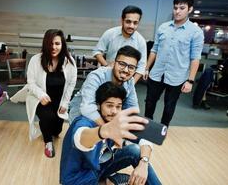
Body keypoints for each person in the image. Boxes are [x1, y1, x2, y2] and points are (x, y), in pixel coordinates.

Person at [60, 82, 161, 185]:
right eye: (109, 106)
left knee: (135, 150)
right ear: (98, 106)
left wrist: (144, 162)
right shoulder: (84, 122)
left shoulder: (115, 121)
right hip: (77, 180)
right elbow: (80, 138)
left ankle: (110, 180)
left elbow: (144, 139)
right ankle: (111, 181)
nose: (114, 111)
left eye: (118, 107)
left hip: (97, 169)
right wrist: (103, 131)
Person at [11, 29, 77, 158]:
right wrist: (41, 95)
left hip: (59, 100)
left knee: (57, 130)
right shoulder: (36, 60)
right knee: (47, 118)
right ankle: (48, 142)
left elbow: (71, 84)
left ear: (62, 44)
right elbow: (31, 82)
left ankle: (50, 131)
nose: (53, 47)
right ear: (45, 44)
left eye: (57, 43)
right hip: (40, 99)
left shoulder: (70, 62)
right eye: (50, 43)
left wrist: (65, 103)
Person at [143, 0, 204, 126]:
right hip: (157, 73)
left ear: (190, 9)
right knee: (149, 102)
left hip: (177, 76)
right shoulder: (163, 27)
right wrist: (146, 68)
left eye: (182, 8)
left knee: (169, 106)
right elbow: (154, 49)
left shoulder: (196, 32)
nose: (177, 11)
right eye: (175, 8)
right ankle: (147, 127)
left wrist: (190, 81)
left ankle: (163, 129)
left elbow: (195, 58)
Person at [69, 45, 141, 126]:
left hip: (107, 119)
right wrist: (106, 129)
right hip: (82, 118)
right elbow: (87, 108)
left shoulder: (129, 81)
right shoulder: (97, 76)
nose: (126, 70)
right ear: (114, 63)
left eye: (131, 67)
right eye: (122, 64)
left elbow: (133, 109)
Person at [92, 5, 147, 83]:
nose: (131, 26)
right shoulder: (110, 33)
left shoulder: (141, 41)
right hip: (107, 76)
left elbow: (141, 67)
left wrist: (131, 85)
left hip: (126, 79)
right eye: (128, 22)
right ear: (122, 20)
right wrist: (107, 66)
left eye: (135, 23)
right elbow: (97, 52)